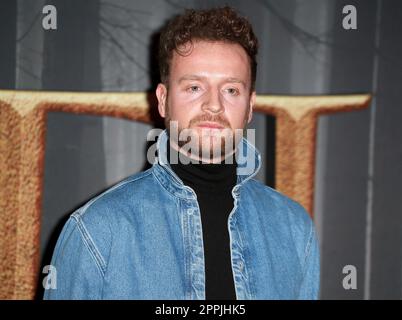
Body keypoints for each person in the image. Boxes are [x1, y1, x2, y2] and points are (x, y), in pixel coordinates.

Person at [44, 6, 319, 300]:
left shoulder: (293, 228)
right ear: (163, 100)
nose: (213, 105)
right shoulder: (97, 230)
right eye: (194, 87)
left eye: (231, 90)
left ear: (250, 105)